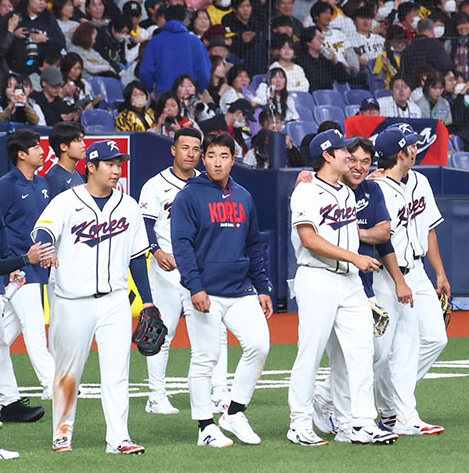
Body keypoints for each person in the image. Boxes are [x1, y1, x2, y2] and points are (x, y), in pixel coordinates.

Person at [32, 140, 153, 454]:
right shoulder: (65, 201)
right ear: (92, 167)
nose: (116, 170)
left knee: (118, 371)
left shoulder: (128, 206)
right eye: (110, 164)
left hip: (115, 300)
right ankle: (62, 434)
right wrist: (45, 247)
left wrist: (148, 300)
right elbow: (44, 229)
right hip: (73, 301)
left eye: (119, 164)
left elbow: (138, 255)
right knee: (68, 372)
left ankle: (119, 438)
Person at [287, 130, 397, 447]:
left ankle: (359, 423)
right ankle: (299, 423)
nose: (349, 155)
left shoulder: (347, 193)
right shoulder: (306, 191)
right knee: (310, 353)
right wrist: (354, 257)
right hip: (317, 277)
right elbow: (309, 239)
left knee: (361, 352)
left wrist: (353, 262)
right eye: (343, 151)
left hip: (349, 281)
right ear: (326, 155)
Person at [170, 131, 273, 448]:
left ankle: (234, 412)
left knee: (260, 345)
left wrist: (263, 286)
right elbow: (182, 246)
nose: (217, 161)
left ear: (233, 159)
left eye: (224, 156)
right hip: (206, 293)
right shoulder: (189, 195)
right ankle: (205, 427)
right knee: (206, 358)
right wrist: (195, 287)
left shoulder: (243, 196)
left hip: (241, 289)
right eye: (211, 155)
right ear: (204, 159)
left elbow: (254, 245)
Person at [139, 128, 229, 415]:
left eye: (195, 149)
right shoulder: (155, 185)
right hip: (167, 267)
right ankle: (156, 395)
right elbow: (145, 225)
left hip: (200, 270)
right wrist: (156, 250)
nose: (190, 153)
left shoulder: (207, 183)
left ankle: (218, 390)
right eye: (185, 147)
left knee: (213, 330)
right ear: (173, 150)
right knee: (161, 332)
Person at [371, 124, 449, 437]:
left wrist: (439, 271)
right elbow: (381, 239)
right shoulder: (375, 187)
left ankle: (393, 404)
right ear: (401, 152)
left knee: (435, 338)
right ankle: (399, 412)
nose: (417, 149)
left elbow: (429, 228)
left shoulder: (421, 180)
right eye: (412, 145)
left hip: (417, 271)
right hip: (388, 274)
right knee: (385, 349)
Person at [0, 130, 54, 400]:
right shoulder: (6, 185)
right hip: (18, 265)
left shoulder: (42, 183)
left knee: (10, 327)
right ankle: (52, 383)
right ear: (21, 154)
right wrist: (10, 261)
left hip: (36, 265)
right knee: (33, 325)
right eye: (35, 147)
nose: (41, 150)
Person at [139, 5, 211, 97]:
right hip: (188, 93)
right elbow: (204, 72)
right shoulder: (195, 41)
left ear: (165, 18)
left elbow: (145, 71)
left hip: (163, 93)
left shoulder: (155, 41)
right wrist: (199, 90)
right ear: (184, 19)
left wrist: (150, 90)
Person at [45, 121, 86, 198]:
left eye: (83, 140)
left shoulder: (78, 174)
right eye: (79, 141)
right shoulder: (54, 179)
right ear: (63, 147)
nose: (84, 145)